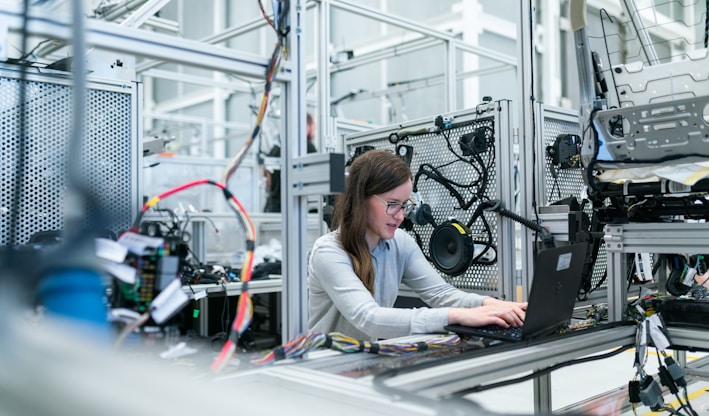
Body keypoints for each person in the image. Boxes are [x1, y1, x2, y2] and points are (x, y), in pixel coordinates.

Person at [307, 149, 527, 341]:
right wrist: (456, 316)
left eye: (404, 205)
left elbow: (441, 294)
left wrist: (492, 305)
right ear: (361, 199)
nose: (401, 216)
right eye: (392, 204)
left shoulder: (400, 243)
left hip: (363, 360)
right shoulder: (329, 251)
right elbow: (369, 318)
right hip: (326, 367)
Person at [263, 113, 317, 213]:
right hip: (295, 207)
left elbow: (267, 180)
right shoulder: (307, 147)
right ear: (306, 126)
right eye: (313, 127)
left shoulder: (275, 149)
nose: (314, 131)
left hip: (273, 207)